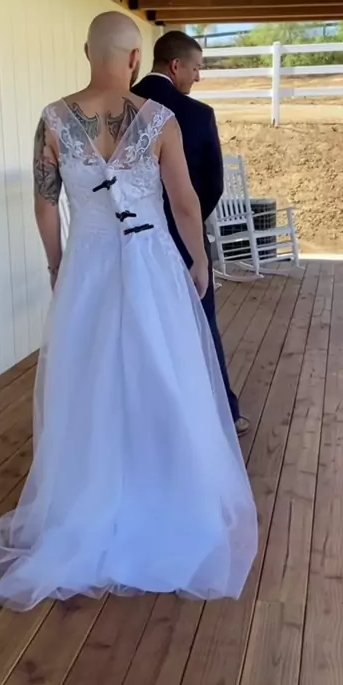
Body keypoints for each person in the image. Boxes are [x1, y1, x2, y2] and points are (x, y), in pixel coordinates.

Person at [0, 11, 257, 612]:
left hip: (88, 268)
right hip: (154, 265)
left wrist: (56, 265)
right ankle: (168, 491)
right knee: (164, 374)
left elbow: (45, 206)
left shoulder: (53, 119)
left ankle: (88, 499)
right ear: (134, 59)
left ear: (87, 52)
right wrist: (200, 263)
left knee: (89, 380)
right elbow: (185, 202)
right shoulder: (160, 119)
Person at [132, 31, 250, 436]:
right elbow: (212, 185)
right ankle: (224, 412)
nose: (198, 77)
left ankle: (146, 414)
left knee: (139, 325)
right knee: (201, 322)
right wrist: (191, 226)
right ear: (176, 65)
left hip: (129, 239)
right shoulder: (197, 114)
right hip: (184, 239)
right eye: (196, 68)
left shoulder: (118, 107)